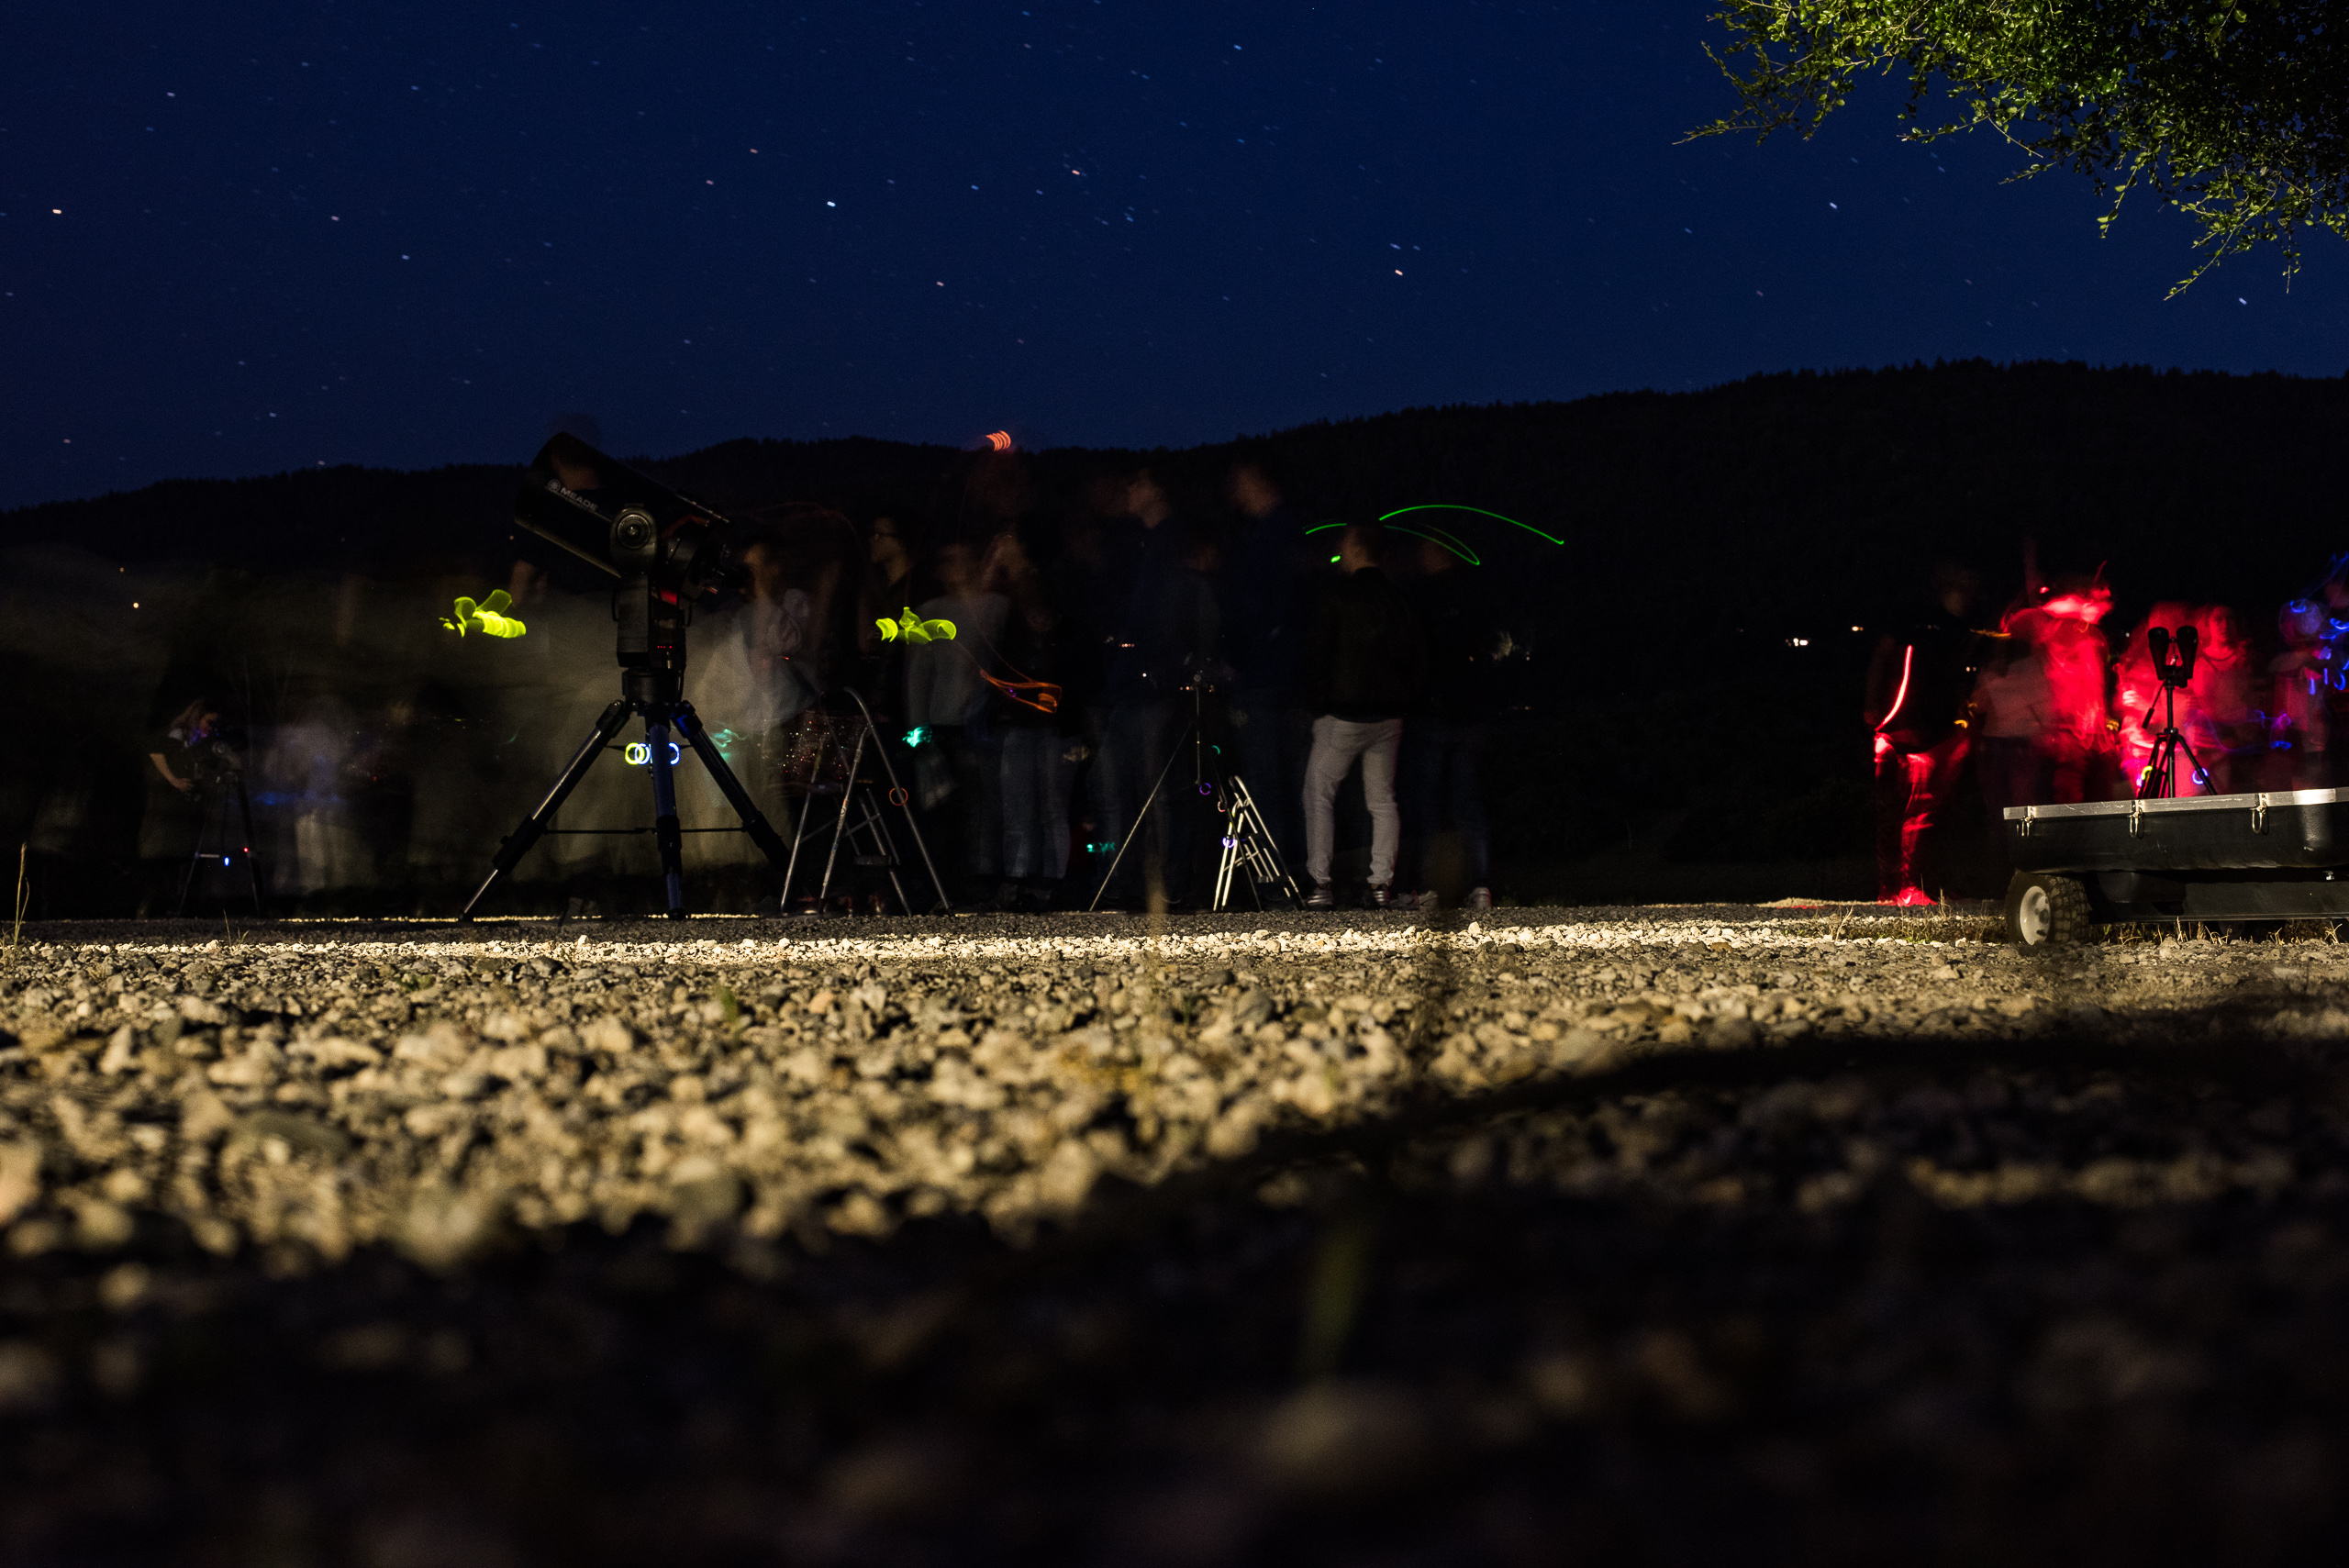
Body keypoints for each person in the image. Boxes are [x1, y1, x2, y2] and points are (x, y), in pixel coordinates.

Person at [1299, 521, 1425, 909]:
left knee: (1318, 794)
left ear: (1355, 548)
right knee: (1382, 801)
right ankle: (1380, 884)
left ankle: (1320, 884)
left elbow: (1320, 654)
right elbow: (1413, 659)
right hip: (1389, 716)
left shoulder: (1338, 594)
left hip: (1344, 713)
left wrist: (1316, 705)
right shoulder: (1399, 598)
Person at [1864, 562, 1983, 905]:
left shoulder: (1962, 628)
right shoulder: (1913, 619)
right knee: (1894, 812)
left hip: (1939, 729)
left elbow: (1956, 676)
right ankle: (1893, 890)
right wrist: (1874, 706)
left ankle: (1920, 886)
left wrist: (1963, 716)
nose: (1970, 587)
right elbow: (1882, 656)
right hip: (1898, 724)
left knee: (1929, 814)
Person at [1405, 534, 1502, 913]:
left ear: (1431, 553)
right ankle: (1480, 885)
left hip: (1433, 710)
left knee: (1426, 802)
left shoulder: (1423, 598)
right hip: (1469, 711)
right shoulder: (1475, 594)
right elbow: (1487, 649)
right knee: (1468, 799)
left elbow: (1417, 653)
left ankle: (1426, 888)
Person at [1223, 462, 1311, 867]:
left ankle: (1279, 871)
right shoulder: (1286, 531)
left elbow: (1259, 607)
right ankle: (1298, 868)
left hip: (1265, 676)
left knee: (1270, 778)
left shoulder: (1268, 538)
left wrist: (1237, 658)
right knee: (1293, 777)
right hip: (1287, 673)